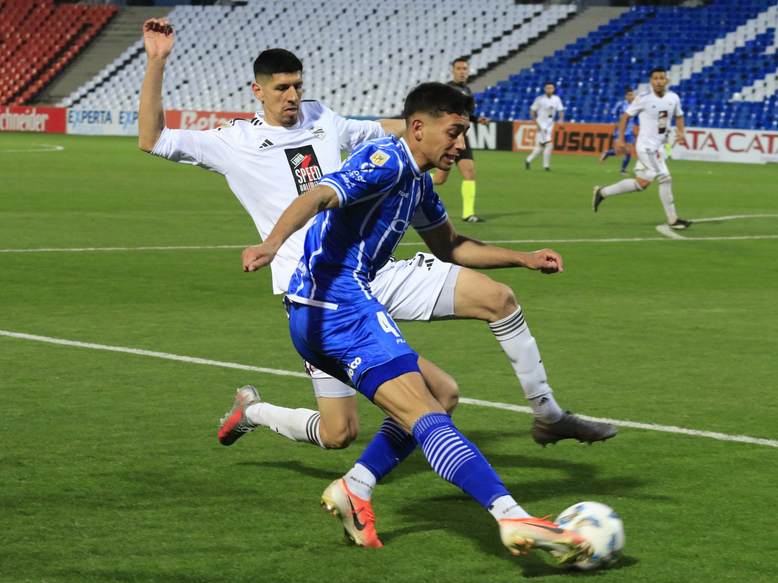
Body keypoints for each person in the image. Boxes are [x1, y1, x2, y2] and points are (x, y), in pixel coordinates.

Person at [139, 18, 617, 452]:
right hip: (317, 292)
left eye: (298, 86)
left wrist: (441, 126)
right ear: (258, 92)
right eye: (282, 88)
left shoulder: (323, 117)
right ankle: (256, 412)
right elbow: (153, 138)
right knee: (339, 433)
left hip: (374, 269)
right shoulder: (233, 142)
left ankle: (547, 413)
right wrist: (157, 61)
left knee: (497, 299)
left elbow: (388, 129)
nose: (292, 96)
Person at [239, 82, 594, 565]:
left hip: (334, 308)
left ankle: (354, 486)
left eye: (464, 133)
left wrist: (524, 258)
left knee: (443, 393)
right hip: (336, 309)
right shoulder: (385, 160)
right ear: (420, 127)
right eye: (453, 132)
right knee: (426, 416)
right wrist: (271, 244)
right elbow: (320, 195)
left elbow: (450, 247)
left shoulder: (418, 181)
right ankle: (511, 515)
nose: (460, 144)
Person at [592, 68, 692, 230]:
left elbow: (679, 116)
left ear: (666, 80)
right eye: (655, 78)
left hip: (657, 148)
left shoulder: (673, 98)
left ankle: (603, 192)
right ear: (651, 81)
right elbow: (625, 117)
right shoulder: (643, 98)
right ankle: (673, 219)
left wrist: (681, 131)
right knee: (665, 178)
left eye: (662, 78)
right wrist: (621, 139)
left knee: (642, 183)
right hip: (646, 147)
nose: (659, 81)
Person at [432, 57, 491, 223]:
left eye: (464, 68)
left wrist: (478, 119)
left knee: (470, 172)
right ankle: (408, 177)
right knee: (439, 179)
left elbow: (464, 115)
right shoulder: (447, 90)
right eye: (459, 68)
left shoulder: (467, 91)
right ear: (453, 71)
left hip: (461, 137)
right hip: (448, 137)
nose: (462, 71)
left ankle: (468, 214)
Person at [525, 82, 564, 171]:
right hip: (541, 125)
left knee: (541, 146)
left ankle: (528, 160)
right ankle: (546, 166)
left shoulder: (556, 99)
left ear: (553, 89)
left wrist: (561, 119)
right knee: (549, 145)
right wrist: (536, 123)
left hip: (550, 125)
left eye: (551, 88)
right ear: (544, 89)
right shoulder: (540, 99)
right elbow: (532, 111)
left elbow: (560, 110)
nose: (549, 89)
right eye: (547, 88)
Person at [599, 88, 636, 175]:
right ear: (626, 96)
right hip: (620, 131)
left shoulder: (635, 105)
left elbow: (637, 117)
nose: (630, 96)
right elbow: (612, 114)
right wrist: (616, 122)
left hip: (630, 131)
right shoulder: (620, 104)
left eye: (632, 95)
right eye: (629, 95)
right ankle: (607, 153)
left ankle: (622, 170)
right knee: (618, 151)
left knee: (629, 150)